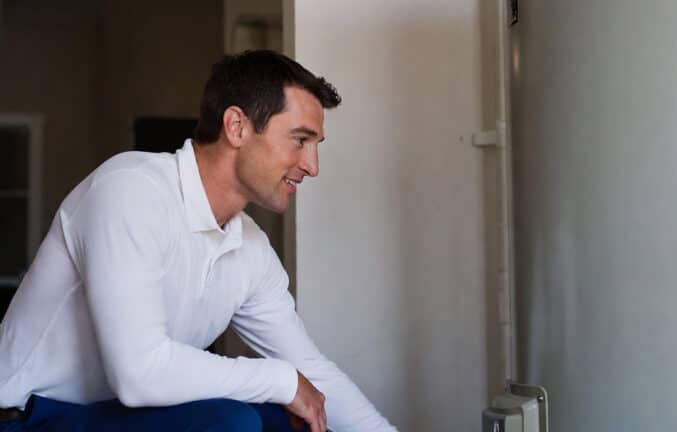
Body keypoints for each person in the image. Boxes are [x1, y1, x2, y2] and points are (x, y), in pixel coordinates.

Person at [0, 50, 397, 432]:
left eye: (315, 146)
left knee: (294, 418)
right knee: (233, 421)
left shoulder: (250, 249)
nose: (312, 166)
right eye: (299, 140)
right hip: (26, 418)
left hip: (115, 417)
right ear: (237, 126)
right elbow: (138, 374)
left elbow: (311, 372)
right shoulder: (131, 191)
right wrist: (282, 380)